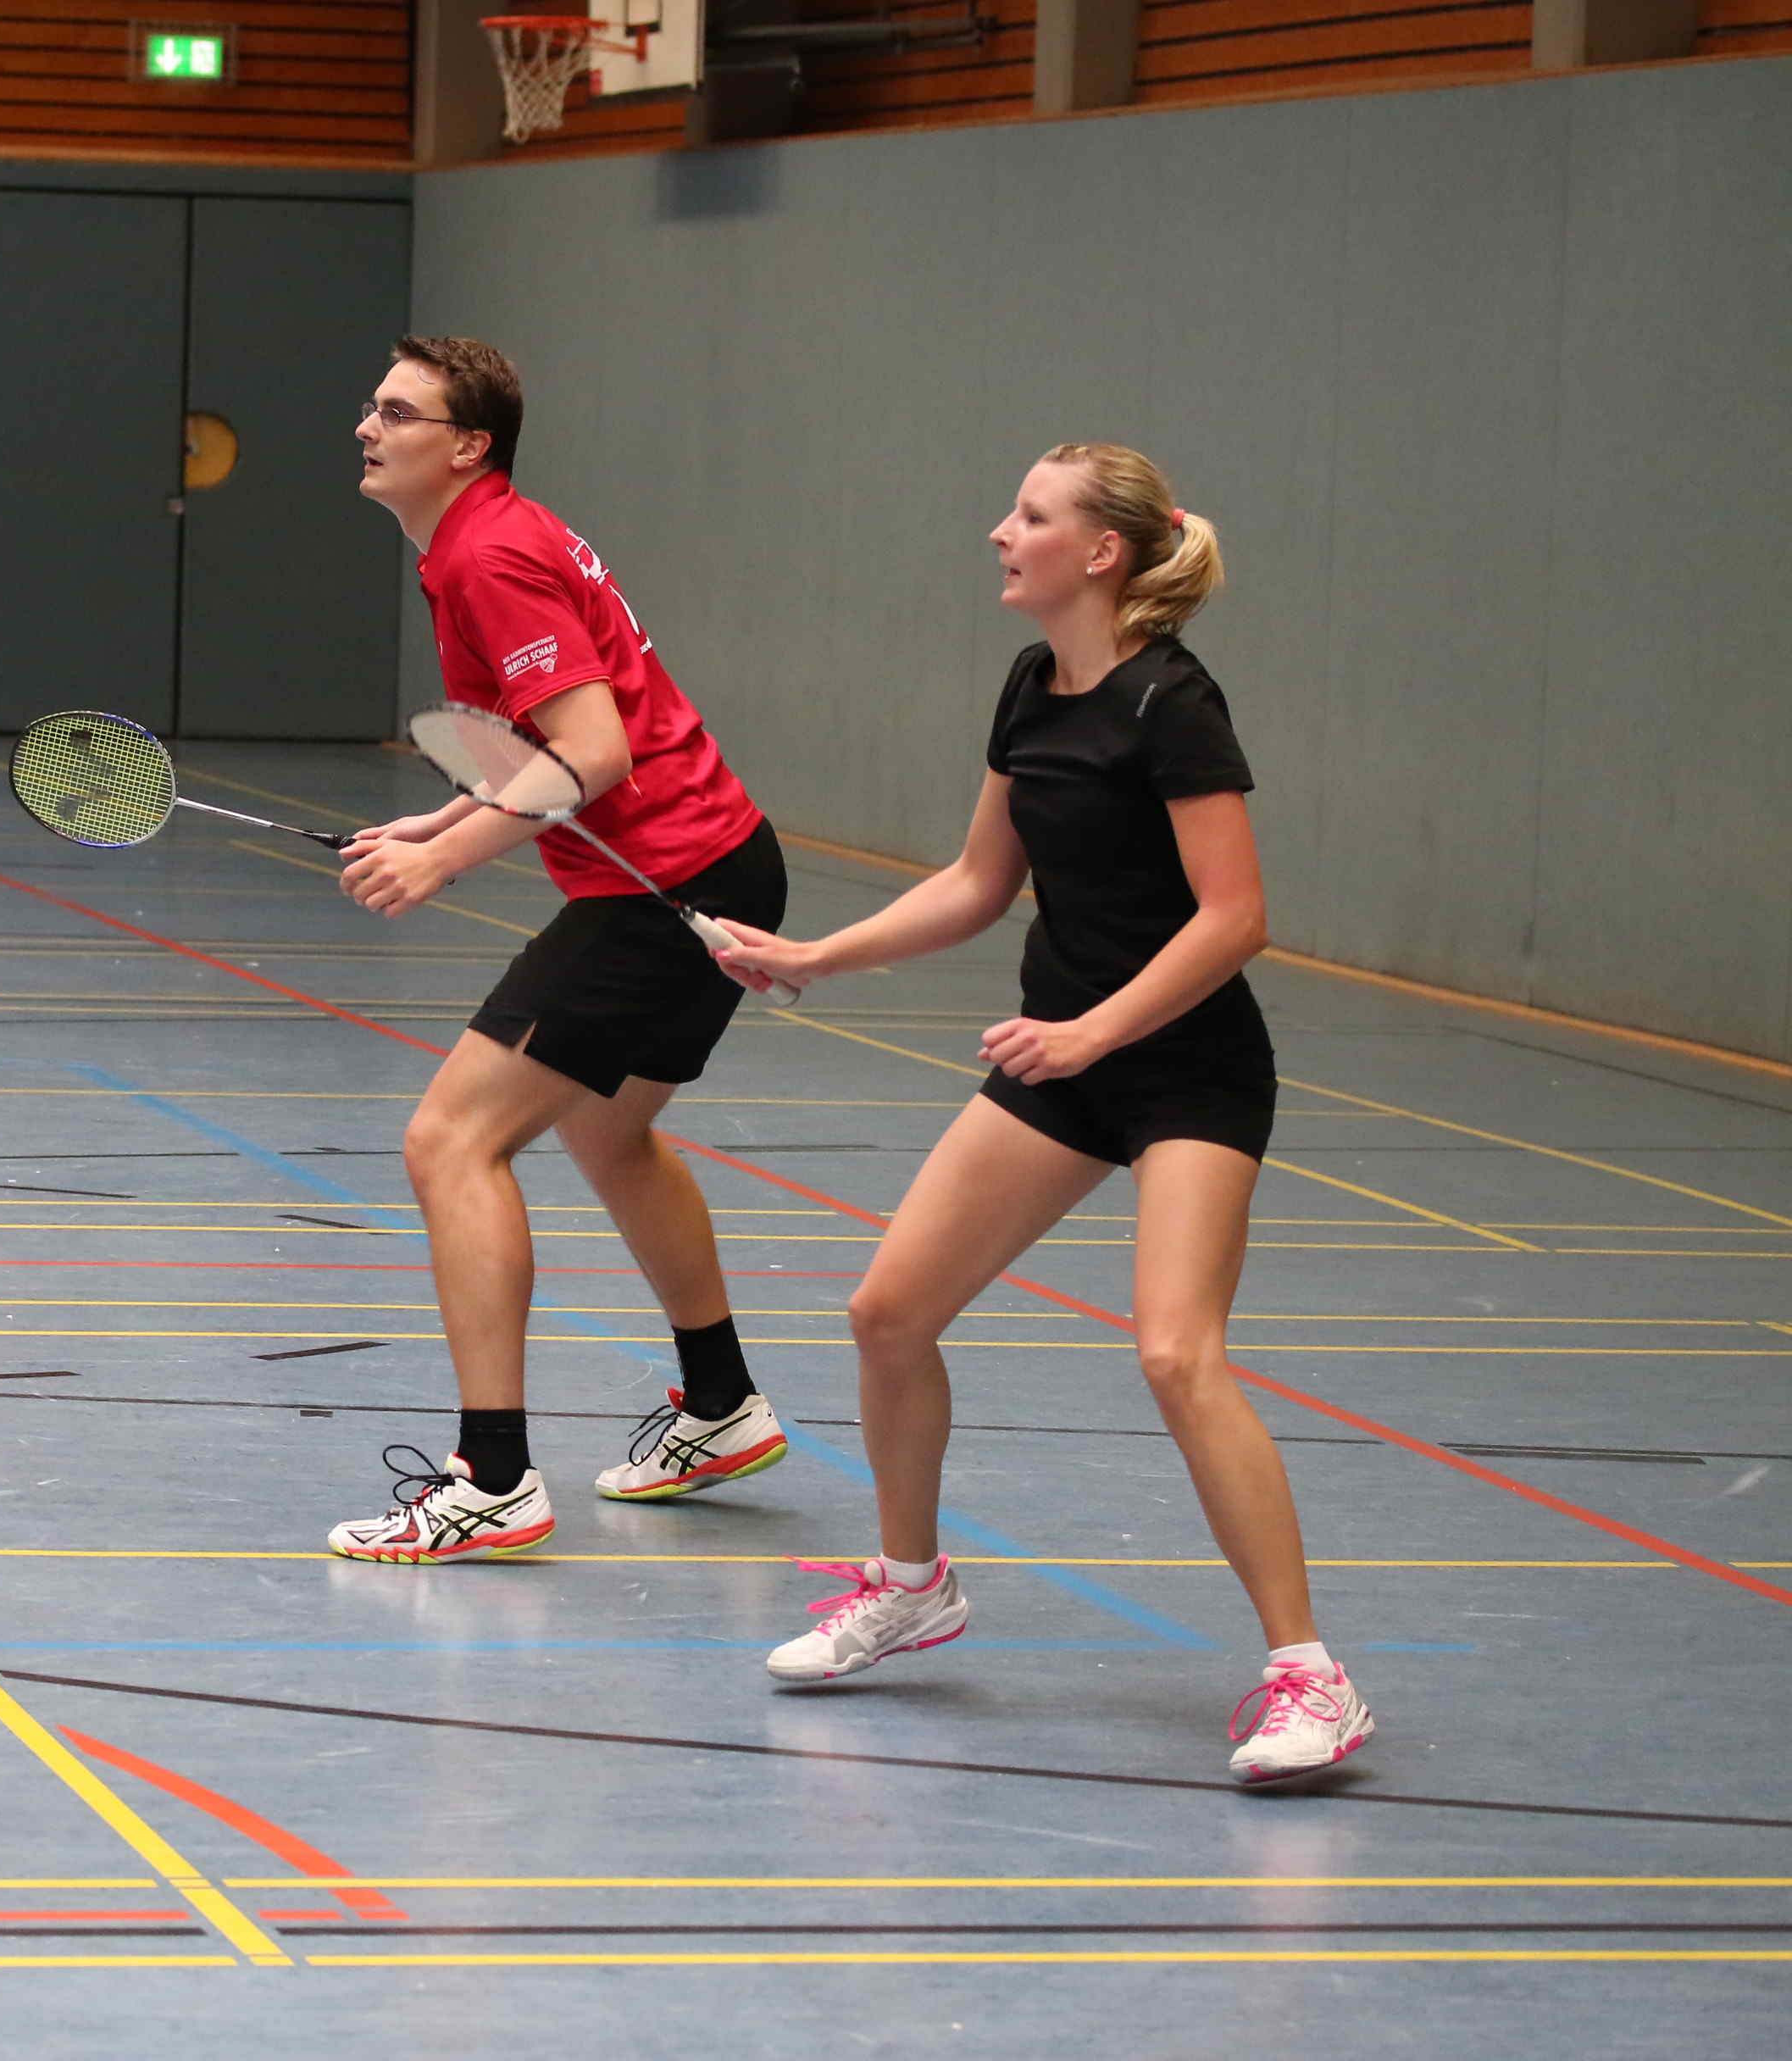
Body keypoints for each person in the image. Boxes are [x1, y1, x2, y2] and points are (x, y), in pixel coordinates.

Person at [707, 443, 1373, 1783]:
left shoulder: (1172, 703)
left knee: (1177, 1355)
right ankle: (912, 1588)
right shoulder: (1030, 684)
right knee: (889, 1314)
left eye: (1030, 515)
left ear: (1102, 552)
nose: (999, 531)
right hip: (1061, 1062)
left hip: (1185, 1071)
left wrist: (1092, 1031)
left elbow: (1236, 918)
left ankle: (1313, 1677)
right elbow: (976, 881)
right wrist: (816, 956)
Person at [324, 336, 791, 1564]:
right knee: (606, 1130)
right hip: (721, 858)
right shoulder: (484, 541)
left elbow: (594, 752)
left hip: (663, 886)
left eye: (399, 412)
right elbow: (551, 745)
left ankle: (491, 1479)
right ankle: (721, 1403)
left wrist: (445, 861)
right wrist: (442, 820)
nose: (369, 426)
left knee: (450, 1141)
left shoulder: (488, 556)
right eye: (373, 406)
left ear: (468, 445)